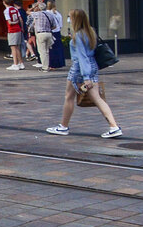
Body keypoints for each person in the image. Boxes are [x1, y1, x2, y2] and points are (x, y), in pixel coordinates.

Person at [46, 8, 122, 138]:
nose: (68, 20)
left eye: (70, 17)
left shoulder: (78, 36)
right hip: (92, 66)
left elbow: (82, 56)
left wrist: (86, 77)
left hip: (79, 69)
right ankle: (114, 126)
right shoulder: (90, 31)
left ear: (75, 19)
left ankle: (63, 126)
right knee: (97, 98)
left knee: (69, 97)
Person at [3, 0, 25, 70]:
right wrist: (21, 28)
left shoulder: (6, 11)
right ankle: (21, 63)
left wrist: (14, 22)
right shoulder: (15, 9)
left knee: (13, 47)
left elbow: (9, 22)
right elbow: (21, 19)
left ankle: (15, 64)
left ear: (4, 2)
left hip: (12, 30)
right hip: (18, 29)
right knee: (17, 47)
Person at [30, 3, 54, 71]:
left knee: (42, 52)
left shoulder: (37, 14)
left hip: (40, 34)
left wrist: (34, 6)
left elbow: (28, 12)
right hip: (49, 33)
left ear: (39, 8)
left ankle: (45, 67)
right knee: (47, 51)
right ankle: (47, 66)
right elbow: (54, 26)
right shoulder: (50, 14)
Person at [47, 0, 66, 70]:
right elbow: (60, 25)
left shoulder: (47, 13)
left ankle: (52, 64)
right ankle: (59, 63)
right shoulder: (58, 14)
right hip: (57, 32)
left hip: (51, 31)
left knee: (51, 49)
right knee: (58, 48)